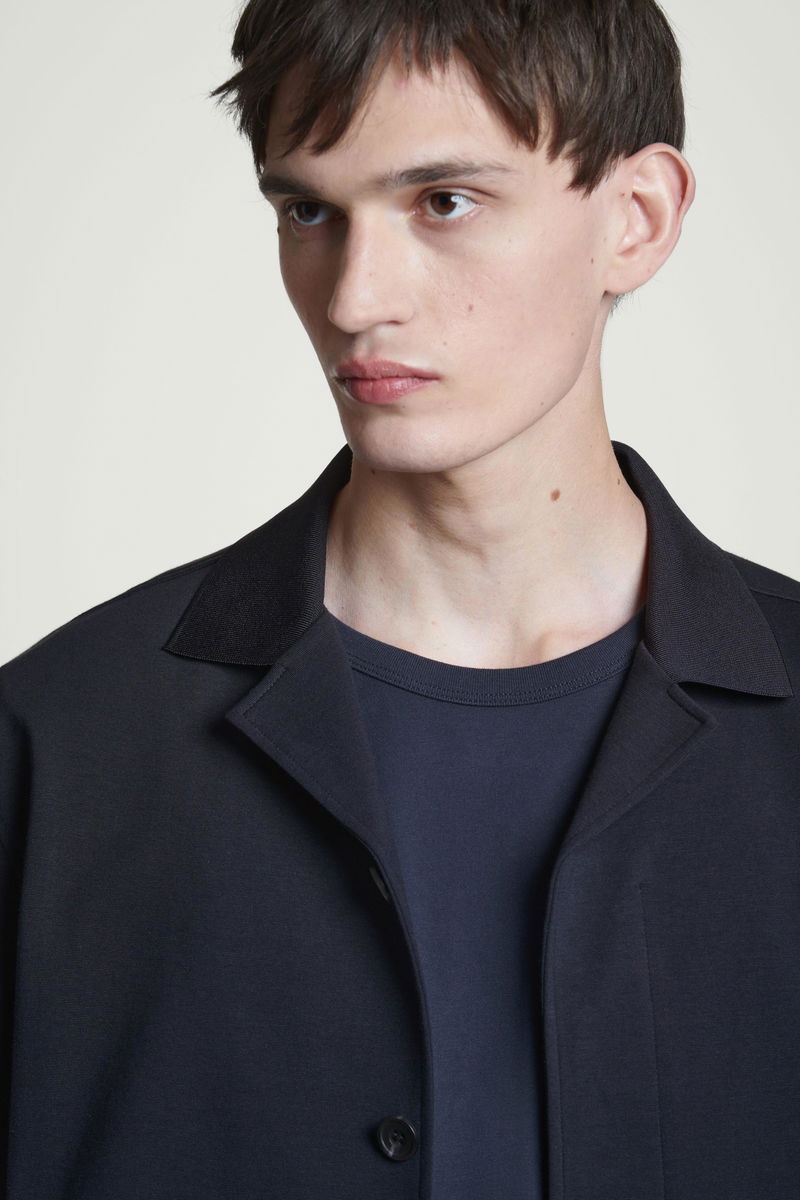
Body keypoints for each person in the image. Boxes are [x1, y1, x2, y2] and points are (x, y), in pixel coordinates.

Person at [1, 0, 799, 1196]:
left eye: (444, 201)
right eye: (307, 210)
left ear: (634, 219)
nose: (353, 299)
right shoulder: (58, 741)